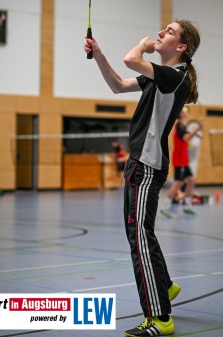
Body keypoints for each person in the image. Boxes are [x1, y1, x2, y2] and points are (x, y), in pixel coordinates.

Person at [84, 18, 200, 337]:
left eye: (170, 32)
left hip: (146, 164)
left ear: (181, 47)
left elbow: (131, 59)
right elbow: (118, 84)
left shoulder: (175, 77)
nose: (161, 33)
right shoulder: (158, 77)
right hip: (141, 163)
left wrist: (144, 45)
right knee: (141, 232)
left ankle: (160, 318)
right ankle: (165, 285)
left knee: (139, 236)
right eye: (163, 29)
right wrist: (99, 55)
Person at [160, 108, 203, 218]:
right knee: (177, 183)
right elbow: (187, 138)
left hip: (184, 159)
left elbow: (188, 133)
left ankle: (187, 206)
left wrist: (197, 134)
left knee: (191, 180)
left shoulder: (182, 127)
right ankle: (165, 207)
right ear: (181, 114)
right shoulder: (179, 126)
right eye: (183, 111)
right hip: (180, 159)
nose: (185, 112)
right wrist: (198, 128)